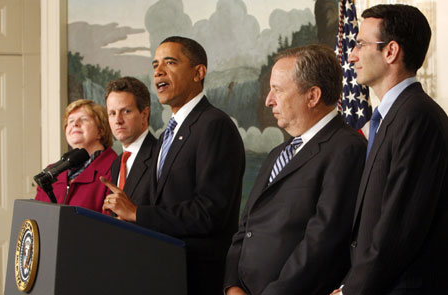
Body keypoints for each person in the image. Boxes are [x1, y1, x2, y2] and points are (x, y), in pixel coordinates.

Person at [101, 36, 245, 294]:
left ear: (198, 72)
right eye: (155, 64)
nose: (158, 71)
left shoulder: (214, 125)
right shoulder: (171, 131)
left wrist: (138, 213)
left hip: (198, 278)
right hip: (164, 272)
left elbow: (210, 212)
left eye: (170, 62)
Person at [224, 44, 367, 295]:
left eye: (277, 90)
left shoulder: (347, 148)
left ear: (312, 96)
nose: (269, 100)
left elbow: (323, 241)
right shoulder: (277, 154)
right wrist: (232, 286)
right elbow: (245, 228)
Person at [332, 4, 448, 295]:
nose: (351, 55)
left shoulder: (417, 117)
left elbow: (399, 227)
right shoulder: (394, 116)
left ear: (391, 51)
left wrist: (350, 291)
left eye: (359, 43)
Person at [36, 99, 117, 212]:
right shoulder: (50, 173)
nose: (75, 124)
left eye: (84, 119)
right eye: (70, 121)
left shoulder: (115, 169)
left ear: (101, 130)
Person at [105, 76, 157, 206]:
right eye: (112, 113)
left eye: (126, 111)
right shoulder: (117, 163)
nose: (118, 120)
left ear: (144, 115)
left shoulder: (161, 155)